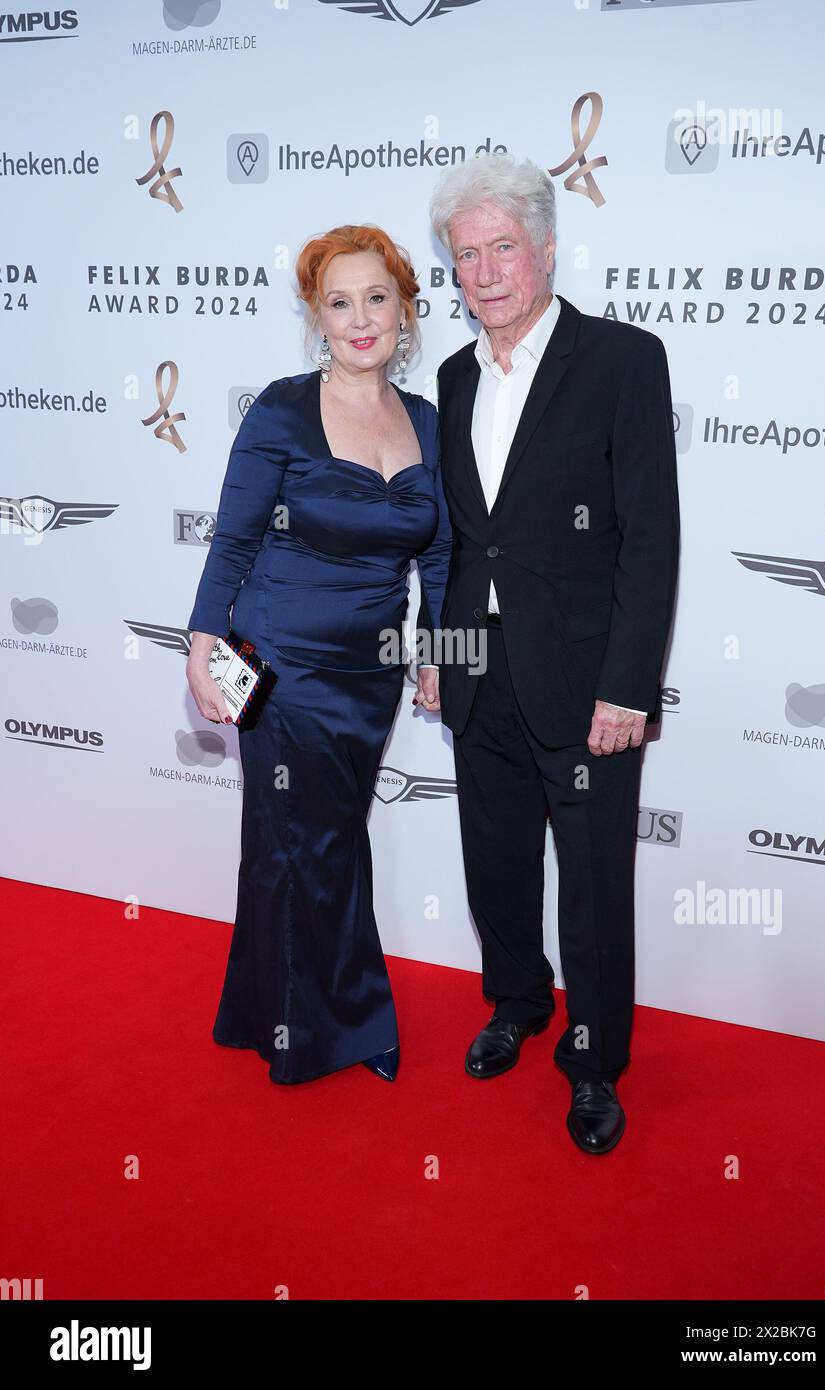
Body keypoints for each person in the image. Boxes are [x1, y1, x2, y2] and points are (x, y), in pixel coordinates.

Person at [420, 153, 679, 1153]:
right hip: (475, 673)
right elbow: (456, 535)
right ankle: (517, 1002)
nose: (483, 272)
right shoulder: (449, 374)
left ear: (546, 249)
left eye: (501, 249)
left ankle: (591, 1057)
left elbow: (649, 535)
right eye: (464, 255)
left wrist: (626, 684)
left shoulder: (620, 358)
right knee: (493, 865)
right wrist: (439, 648)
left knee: (592, 883)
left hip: (582, 682)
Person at [186, 225, 451, 1086]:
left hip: (370, 670)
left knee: (319, 837)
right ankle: (340, 1023)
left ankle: (268, 1008)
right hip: (280, 659)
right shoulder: (282, 409)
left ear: (404, 309)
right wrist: (200, 645)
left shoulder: (428, 421)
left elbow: (442, 552)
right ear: (318, 317)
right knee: (295, 840)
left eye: (377, 297)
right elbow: (231, 541)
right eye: (341, 302)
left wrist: (437, 654)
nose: (361, 318)